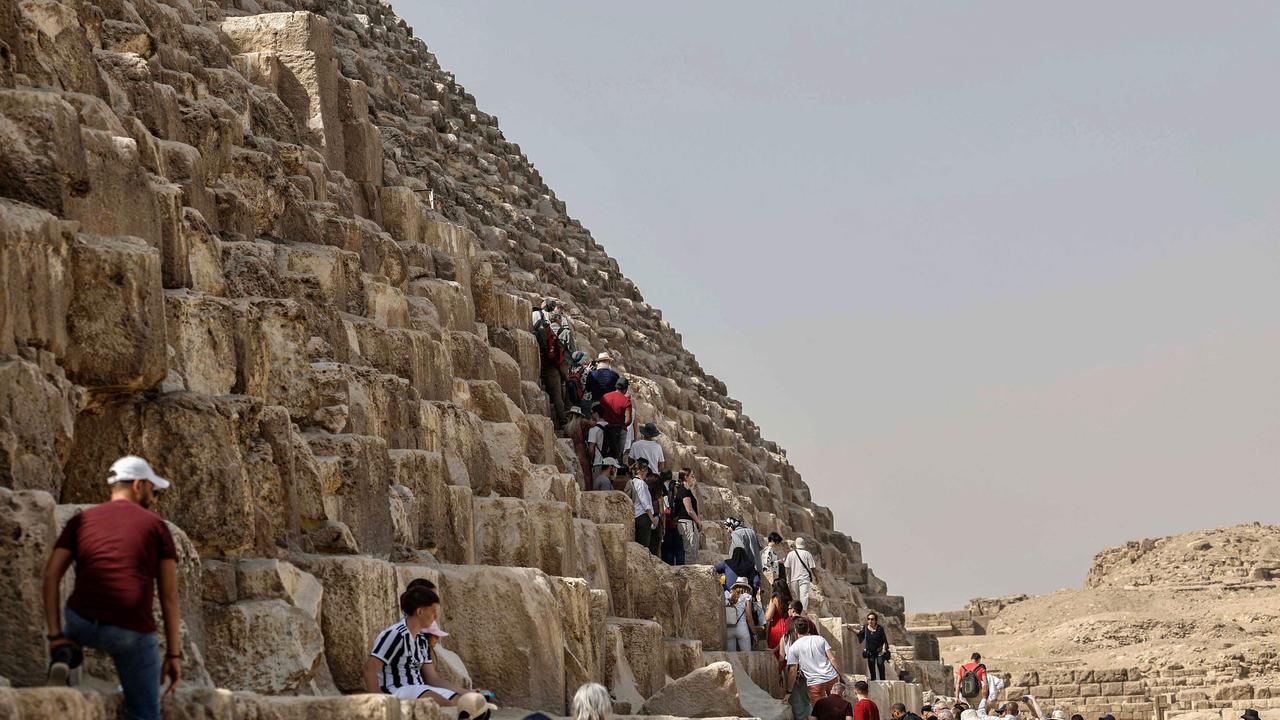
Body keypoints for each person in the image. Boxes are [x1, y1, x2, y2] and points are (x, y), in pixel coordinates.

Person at [43, 456, 182, 720]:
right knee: (145, 712)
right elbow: (169, 596)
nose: (154, 500)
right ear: (139, 485)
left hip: (82, 621)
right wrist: (174, 654)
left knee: (75, 626)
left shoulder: (81, 520)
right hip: (129, 629)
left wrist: (54, 634)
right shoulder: (156, 527)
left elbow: (51, 576)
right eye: (153, 491)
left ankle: (65, 651)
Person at [366, 585, 474, 703]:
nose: (436, 617)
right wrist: (378, 705)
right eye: (433, 611)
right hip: (397, 690)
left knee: (468, 703)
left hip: (420, 689)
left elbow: (432, 678)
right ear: (420, 611)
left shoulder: (422, 640)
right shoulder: (396, 634)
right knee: (444, 704)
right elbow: (369, 669)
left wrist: (464, 692)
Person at [785, 617, 846, 704]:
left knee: (819, 711)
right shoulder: (820, 639)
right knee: (837, 706)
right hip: (831, 677)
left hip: (815, 682)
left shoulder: (794, 647)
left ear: (795, 630)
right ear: (808, 628)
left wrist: (789, 692)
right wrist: (841, 676)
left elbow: (793, 671)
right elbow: (832, 659)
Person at [532, 299, 569, 427]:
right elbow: (570, 349)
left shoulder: (543, 327)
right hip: (562, 362)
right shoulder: (565, 331)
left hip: (549, 362)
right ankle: (568, 415)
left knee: (556, 392)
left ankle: (561, 419)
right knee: (567, 388)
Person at [600, 378, 632, 461]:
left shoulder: (605, 396)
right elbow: (628, 421)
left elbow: (600, 412)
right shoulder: (626, 401)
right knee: (617, 455)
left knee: (603, 451)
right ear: (625, 389)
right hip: (619, 430)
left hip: (604, 427)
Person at [627, 460, 657, 551]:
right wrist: (652, 518)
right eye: (646, 469)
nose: (647, 472)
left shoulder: (633, 481)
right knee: (644, 546)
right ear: (641, 470)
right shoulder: (641, 484)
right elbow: (645, 503)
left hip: (636, 515)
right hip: (642, 516)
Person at [673, 469, 701, 564]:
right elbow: (689, 510)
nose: (694, 478)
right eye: (692, 476)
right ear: (686, 477)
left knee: (691, 550)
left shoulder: (684, 491)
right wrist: (699, 522)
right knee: (690, 551)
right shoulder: (684, 491)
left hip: (685, 523)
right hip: (687, 523)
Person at [785, 537, 819, 612]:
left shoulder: (790, 554)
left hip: (793, 579)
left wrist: (785, 578)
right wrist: (816, 577)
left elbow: (786, 568)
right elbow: (813, 567)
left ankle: (796, 611)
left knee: (796, 597)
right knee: (804, 596)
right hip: (804, 578)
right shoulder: (807, 554)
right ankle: (803, 611)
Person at [562, 405, 592, 489]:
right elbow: (592, 424)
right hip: (580, 449)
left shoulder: (566, 428)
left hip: (570, 449)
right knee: (585, 471)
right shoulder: (581, 423)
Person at [725, 579, 758, 651]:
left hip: (729, 628)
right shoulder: (746, 597)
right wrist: (754, 633)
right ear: (746, 588)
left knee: (732, 657)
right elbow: (749, 617)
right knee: (747, 656)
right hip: (742, 628)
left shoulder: (728, 596)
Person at [855, 611, 889, 681]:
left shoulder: (879, 628)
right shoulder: (865, 627)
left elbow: (884, 641)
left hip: (879, 650)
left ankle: (883, 680)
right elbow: (860, 633)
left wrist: (883, 650)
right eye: (869, 619)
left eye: (872, 619)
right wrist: (851, 629)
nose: (870, 621)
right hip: (870, 651)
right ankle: (874, 680)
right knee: (871, 665)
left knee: (880, 664)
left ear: (876, 620)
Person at [658, 471, 683, 565]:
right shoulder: (678, 499)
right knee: (677, 551)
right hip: (674, 527)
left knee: (668, 552)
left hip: (668, 527)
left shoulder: (666, 498)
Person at [764, 578, 794, 651]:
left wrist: (766, 611)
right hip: (788, 626)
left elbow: (768, 617)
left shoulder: (774, 599)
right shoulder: (790, 599)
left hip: (776, 628)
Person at [586, 404, 608, 475]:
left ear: (596, 414)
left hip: (598, 462)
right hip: (610, 462)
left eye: (591, 413)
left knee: (597, 485)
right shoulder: (610, 426)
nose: (591, 415)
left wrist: (591, 460)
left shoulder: (593, 429)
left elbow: (591, 450)